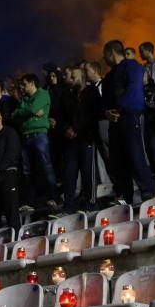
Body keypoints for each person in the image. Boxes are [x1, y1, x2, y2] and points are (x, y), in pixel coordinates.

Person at [102, 39, 155, 204]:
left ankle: (147, 190)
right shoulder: (108, 77)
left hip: (131, 115)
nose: (104, 58)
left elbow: (134, 87)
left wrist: (119, 108)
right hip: (115, 120)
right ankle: (125, 196)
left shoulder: (131, 66)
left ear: (111, 52)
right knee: (118, 158)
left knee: (135, 153)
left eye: (105, 54)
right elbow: (105, 100)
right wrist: (107, 112)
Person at [12, 73, 58, 209]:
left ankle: (53, 197)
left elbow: (29, 109)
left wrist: (24, 112)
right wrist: (29, 113)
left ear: (32, 83)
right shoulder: (24, 98)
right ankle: (30, 201)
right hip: (25, 136)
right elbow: (15, 116)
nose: (21, 87)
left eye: (24, 84)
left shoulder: (42, 94)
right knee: (27, 171)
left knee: (46, 166)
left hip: (39, 135)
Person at [58, 66, 98, 213]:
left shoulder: (92, 92)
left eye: (73, 77)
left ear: (81, 78)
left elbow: (93, 115)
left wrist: (76, 129)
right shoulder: (66, 95)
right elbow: (61, 116)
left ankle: (91, 205)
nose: (70, 79)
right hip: (71, 142)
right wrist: (66, 129)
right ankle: (68, 207)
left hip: (86, 138)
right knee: (69, 174)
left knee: (88, 173)